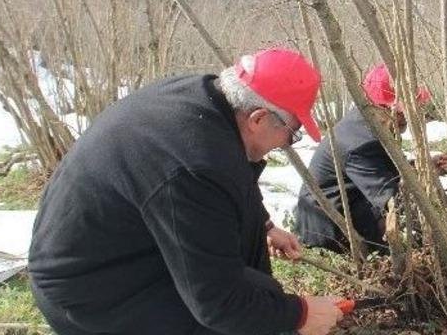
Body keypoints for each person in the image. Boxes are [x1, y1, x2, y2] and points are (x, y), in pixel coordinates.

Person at [28, 48, 344, 335]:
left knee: (259, 289)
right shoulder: (196, 165)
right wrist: (299, 314)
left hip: (123, 248)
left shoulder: (208, 100)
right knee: (238, 314)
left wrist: (265, 224)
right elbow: (219, 303)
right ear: (258, 119)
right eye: (291, 133)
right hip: (91, 294)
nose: (287, 144)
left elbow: (229, 184)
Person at [294, 64, 446, 253]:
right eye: (402, 111)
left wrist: (424, 169)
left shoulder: (367, 123)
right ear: (382, 108)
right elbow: (392, 200)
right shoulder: (361, 143)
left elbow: (384, 172)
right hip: (331, 229)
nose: (408, 116)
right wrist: (441, 230)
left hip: (353, 204)